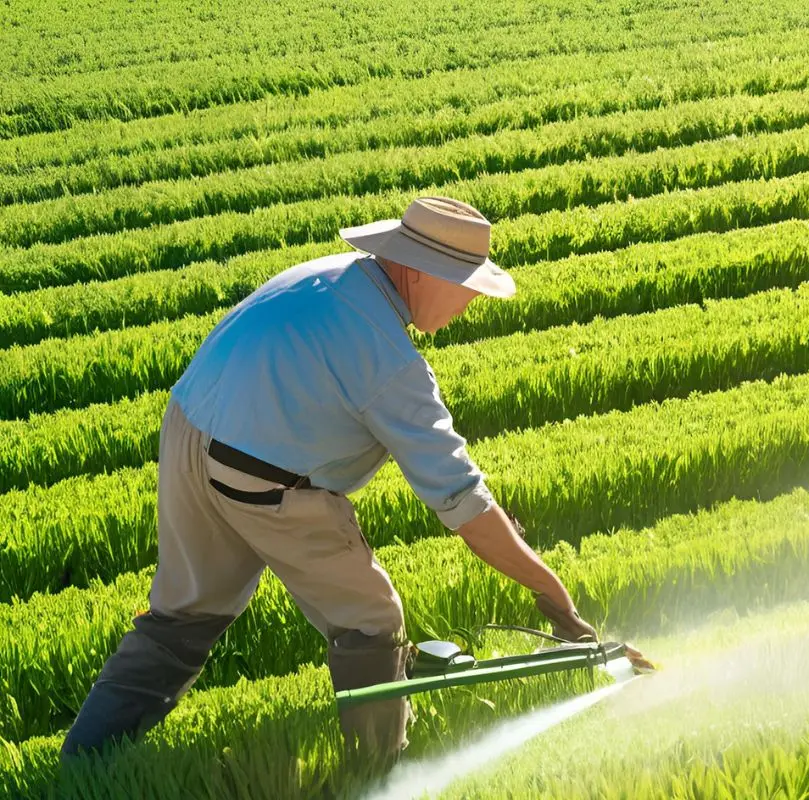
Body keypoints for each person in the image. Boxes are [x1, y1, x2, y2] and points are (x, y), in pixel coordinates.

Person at [60, 196, 603, 762]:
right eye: (464, 284)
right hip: (257, 471)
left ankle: (82, 762)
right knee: (371, 620)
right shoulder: (390, 361)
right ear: (417, 271)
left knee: (182, 615)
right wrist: (550, 590)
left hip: (188, 433)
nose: (470, 300)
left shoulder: (324, 277)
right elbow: (461, 500)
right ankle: (381, 769)